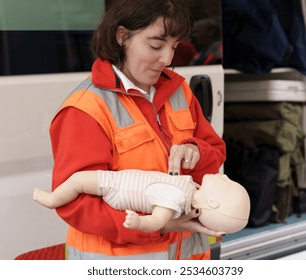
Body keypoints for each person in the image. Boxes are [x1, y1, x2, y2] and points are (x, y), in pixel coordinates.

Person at [49, 0, 226, 260]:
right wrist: (157, 225)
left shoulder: (180, 91)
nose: (167, 58)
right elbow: (75, 204)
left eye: (174, 47)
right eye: (156, 45)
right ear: (123, 37)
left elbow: (216, 153)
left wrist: (196, 151)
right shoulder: (85, 108)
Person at [33, 170, 250, 234]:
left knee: (78, 181)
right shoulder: (191, 188)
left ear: (212, 202)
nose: (225, 176)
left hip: (116, 187)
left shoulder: (175, 200)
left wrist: (139, 223)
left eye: (227, 183)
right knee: (78, 180)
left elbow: (157, 221)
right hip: (119, 179)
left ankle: (52, 199)